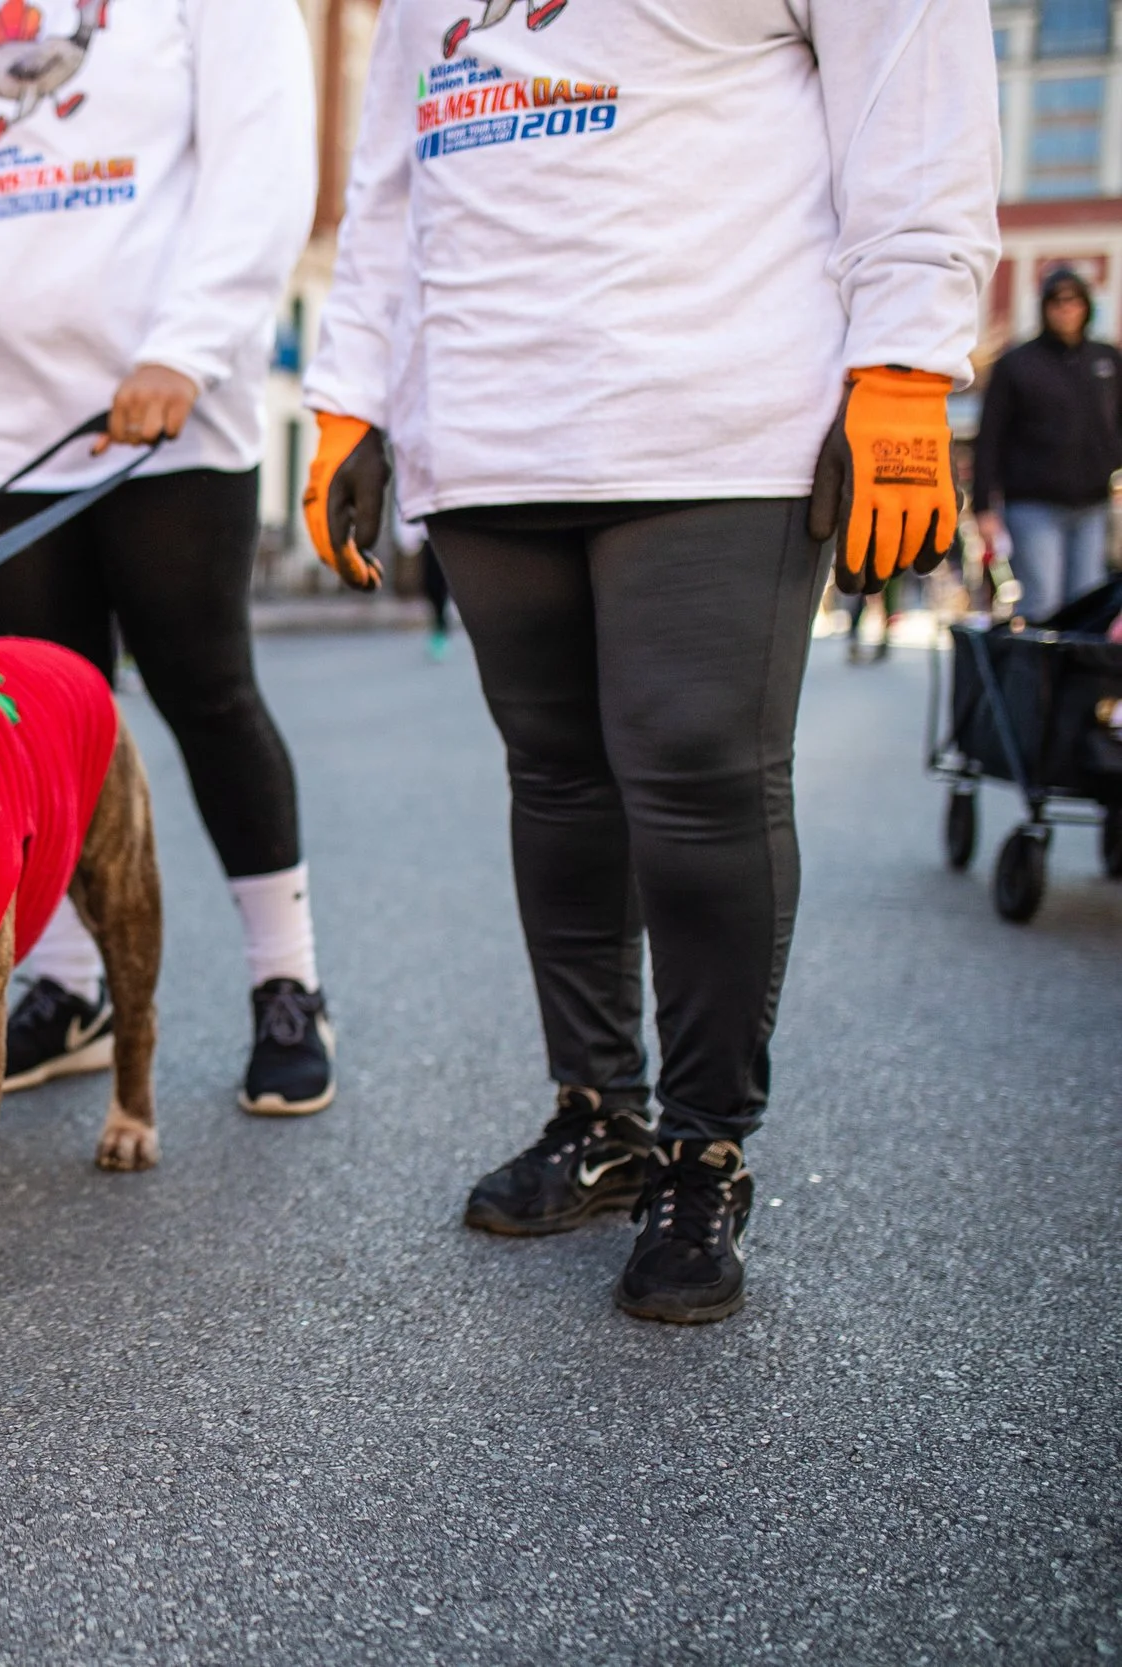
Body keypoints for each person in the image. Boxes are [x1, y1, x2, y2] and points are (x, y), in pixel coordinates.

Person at [304, 0, 998, 1322]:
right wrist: (351, 397)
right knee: (558, 780)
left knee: (696, 778)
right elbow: (389, 182)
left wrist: (904, 362)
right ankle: (602, 1113)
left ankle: (703, 1145)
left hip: (718, 401)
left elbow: (913, 82)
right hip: (489, 413)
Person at [0, 0, 335, 1115]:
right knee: (27, 718)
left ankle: (285, 979)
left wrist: (188, 347)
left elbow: (263, 160)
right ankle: (65, 987)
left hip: (162, 404)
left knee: (205, 689)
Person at [974, 267, 1122, 619]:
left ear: (1086, 306)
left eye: (1074, 301)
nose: (1066, 310)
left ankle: (1076, 677)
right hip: (1033, 504)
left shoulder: (1107, 360)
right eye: (1057, 302)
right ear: (1045, 307)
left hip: (1092, 502)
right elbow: (990, 437)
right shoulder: (1016, 363)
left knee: (1089, 604)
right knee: (1043, 602)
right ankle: (1038, 675)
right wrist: (983, 507)